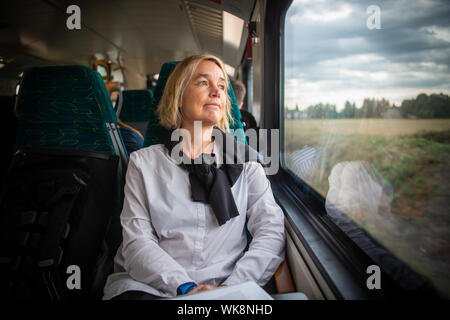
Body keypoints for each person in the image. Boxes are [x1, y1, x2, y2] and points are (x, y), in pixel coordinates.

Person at [102, 54, 285, 300]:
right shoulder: (144, 164)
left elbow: (270, 230)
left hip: (230, 285)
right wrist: (185, 288)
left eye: (221, 85)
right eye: (202, 82)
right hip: (154, 286)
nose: (216, 91)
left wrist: (233, 287)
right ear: (177, 98)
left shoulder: (247, 161)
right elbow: (137, 241)